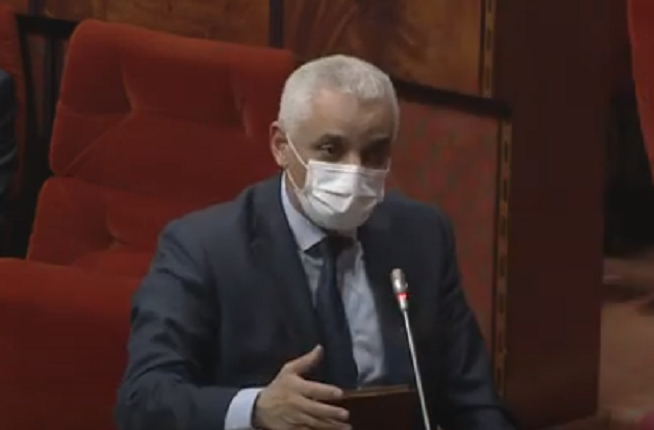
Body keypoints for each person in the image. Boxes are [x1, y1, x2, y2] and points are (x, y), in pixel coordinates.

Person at [115, 55, 515, 430]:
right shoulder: (204, 248)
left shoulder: (422, 235)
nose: (354, 171)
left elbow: (473, 399)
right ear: (280, 146)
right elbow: (143, 398)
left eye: (374, 152)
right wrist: (256, 409)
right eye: (331, 150)